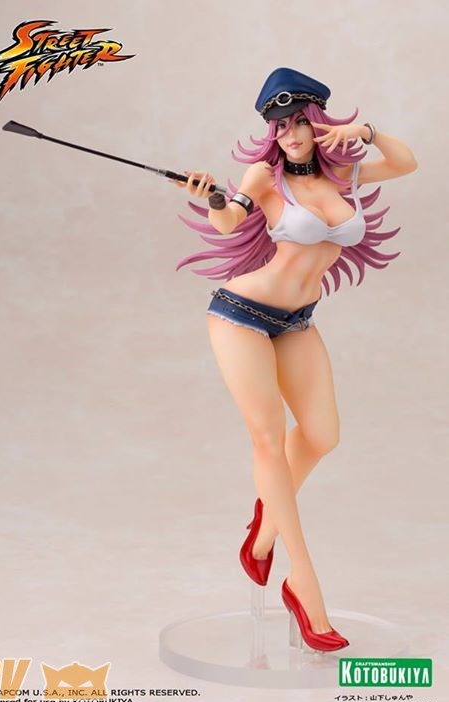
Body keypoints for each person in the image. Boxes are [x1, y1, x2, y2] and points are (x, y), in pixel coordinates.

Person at [174, 68, 417, 652]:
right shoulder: (265, 176)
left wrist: (367, 132)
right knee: (268, 440)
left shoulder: (344, 174)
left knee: (323, 435)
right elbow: (230, 219)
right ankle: (303, 585)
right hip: (240, 314)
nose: (289, 134)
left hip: (297, 323)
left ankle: (262, 531)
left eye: (298, 122)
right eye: (279, 126)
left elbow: (406, 163)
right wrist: (211, 198)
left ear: (316, 122)